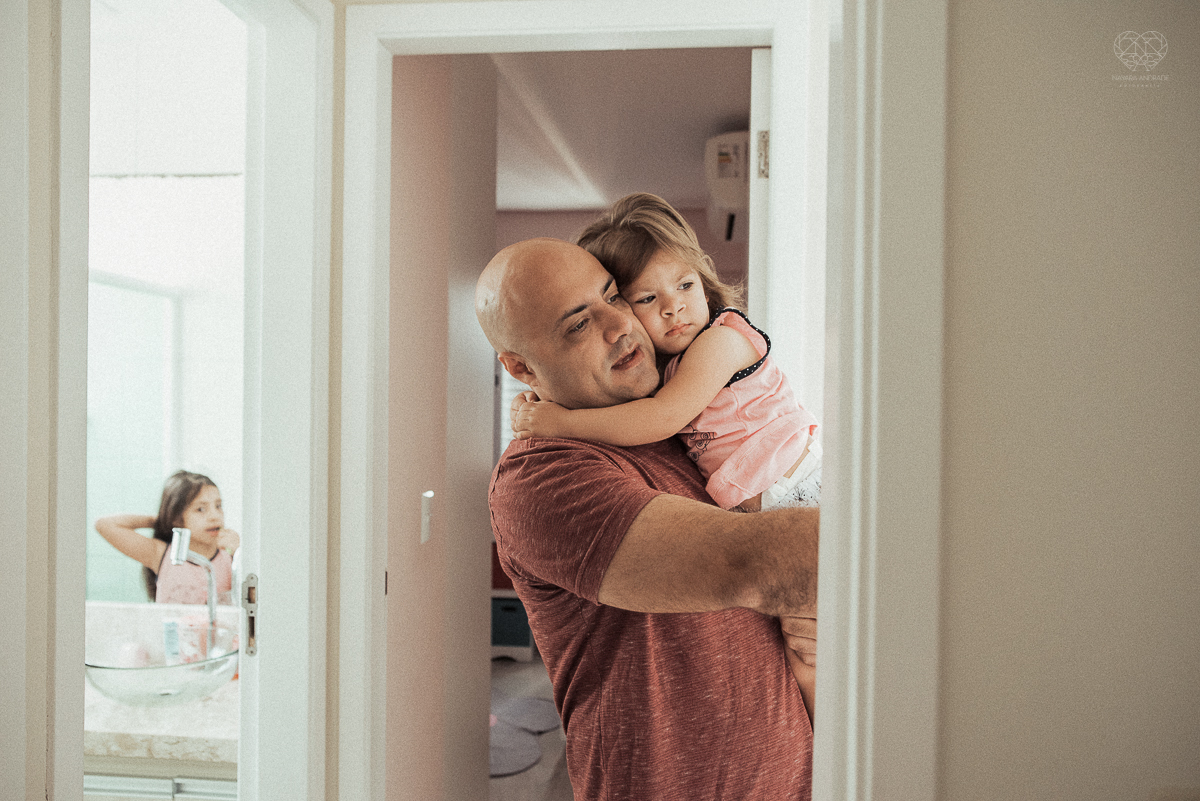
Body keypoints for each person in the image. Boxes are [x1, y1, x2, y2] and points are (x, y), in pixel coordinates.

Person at [476, 236, 818, 800]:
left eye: (614, 295)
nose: (621, 326)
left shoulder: (687, 425)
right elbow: (763, 564)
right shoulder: (543, 477)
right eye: (578, 325)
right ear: (520, 367)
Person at [513, 192, 821, 514]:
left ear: (703, 280)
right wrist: (541, 398)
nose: (673, 307)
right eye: (647, 299)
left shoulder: (721, 342)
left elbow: (662, 417)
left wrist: (561, 423)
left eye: (685, 285)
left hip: (797, 481)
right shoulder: (667, 367)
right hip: (767, 500)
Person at [95, 470, 239, 604]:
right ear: (177, 517)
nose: (214, 516)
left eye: (219, 506)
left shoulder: (231, 556)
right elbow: (104, 524)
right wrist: (162, 520)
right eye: (200, 509)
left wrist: (240, 552)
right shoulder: (161, 554)